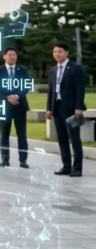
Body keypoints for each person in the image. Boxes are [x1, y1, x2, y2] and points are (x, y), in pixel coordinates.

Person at [46, 42, 86, 177]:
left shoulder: (75, 68)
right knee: (62, 139)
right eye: (55, 52)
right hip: (56, 107)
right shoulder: (53, 70)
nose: (57, 54)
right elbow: (51, 91)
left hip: (71, 109)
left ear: (67, 53)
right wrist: (48, 109)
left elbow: (80, 89)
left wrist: (79, 107)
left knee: (74, 139)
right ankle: (66, 166)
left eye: (60, 51)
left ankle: (77, 168)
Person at [0, 47, 30, 169]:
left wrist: (16, 96)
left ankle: (23, 160)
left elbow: (27, 86)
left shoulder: (22, 70)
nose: (12, 57)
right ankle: (5, 159)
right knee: (4, 133)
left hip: (20, 106)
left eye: (14, 55)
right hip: (5, 106)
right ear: (4, 56)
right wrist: (9, 97)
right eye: (10, 55)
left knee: (22, 134)